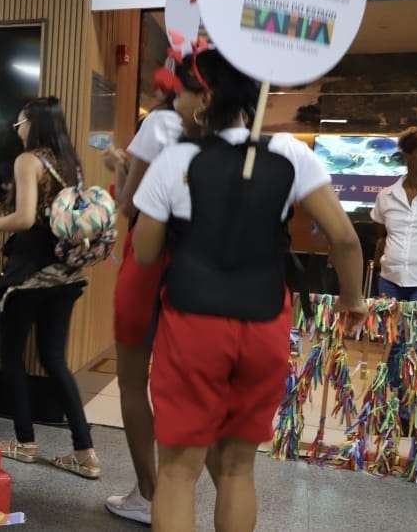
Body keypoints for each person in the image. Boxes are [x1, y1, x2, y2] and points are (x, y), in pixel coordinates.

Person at [130, 49, 365, 532]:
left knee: (177, 472)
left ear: (205, 100)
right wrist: (352, 299)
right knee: (238, 469)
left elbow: (147, 253)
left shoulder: (176, 160)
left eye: (186, 93)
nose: (179, 101)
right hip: (264, 325)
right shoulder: (291, 154)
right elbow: (344, 238)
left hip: (193, 326)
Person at [0, 97, 101, 479]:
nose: (18, 131)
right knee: (54, 359)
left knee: (12, 358)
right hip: (66, 276)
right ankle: (85, 452)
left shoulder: (28, 161)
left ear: (32, 122)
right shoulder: (69, 163)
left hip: (28, 276)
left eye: (19, 124)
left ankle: (26, 443)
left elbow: (27, 218)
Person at [100, 78, 184, 524]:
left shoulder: (160, 122)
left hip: (148, 257)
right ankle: (176, 490)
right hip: (195, 264)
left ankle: (148, 493)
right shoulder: (229, 134)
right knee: (180, 384)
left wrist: (117, 165)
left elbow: (128, 203)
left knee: (133, 381)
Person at [371, 127, 417, 430]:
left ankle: (407, 417)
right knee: (393, 345)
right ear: (407, 156)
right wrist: (380, 263)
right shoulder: (386, 195)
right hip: (391, 279)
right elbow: (382, 235)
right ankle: (387, 412)